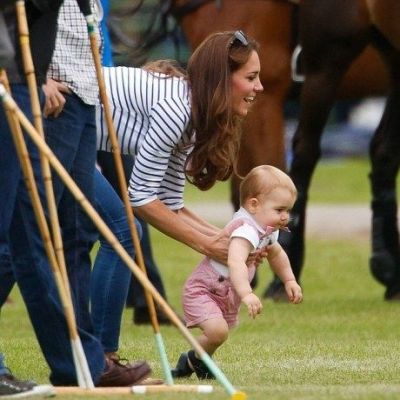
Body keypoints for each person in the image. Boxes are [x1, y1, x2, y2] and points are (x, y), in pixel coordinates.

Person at [0, 0, 150, 386]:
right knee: (25, 233)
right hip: (50, 90)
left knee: (75, 235)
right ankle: (81, 360)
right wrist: (37, 77)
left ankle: (88, 360)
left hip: (83, 92)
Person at [92, 30, 264, 349]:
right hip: (54, 126)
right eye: (251, 77)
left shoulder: (192, 113)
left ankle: (98, 357)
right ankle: (102, 357)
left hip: (74, 138)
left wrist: (227, 241)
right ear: (222, 79)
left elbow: (170, 204)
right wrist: (209, 246)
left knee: (111, 234)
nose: (259, 87)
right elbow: (141, 199)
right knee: (121, 233)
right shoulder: (178, 109)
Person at [171, 165, 303, 379]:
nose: (285, 217)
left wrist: (289, 280)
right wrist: (247, 293)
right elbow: (236, 262)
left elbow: (276, 254)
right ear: (254, 205)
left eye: (287, 211)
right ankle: (196, 358)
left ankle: (191, 360)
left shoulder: (266, 229)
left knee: (219, 334)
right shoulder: (245, 229)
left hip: (227, 292)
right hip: (206, 289)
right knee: (217, 332)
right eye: (279, 210)